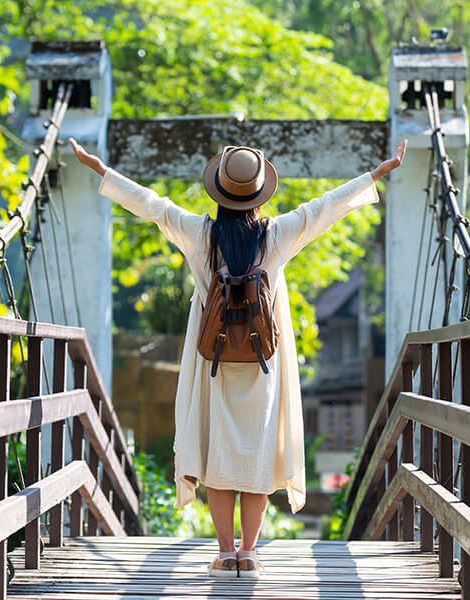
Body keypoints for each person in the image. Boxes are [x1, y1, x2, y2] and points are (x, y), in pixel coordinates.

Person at [70, 137, 407, 578]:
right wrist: (376, 175)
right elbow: (326, 207)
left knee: (219, 458)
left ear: (219, 190)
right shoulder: (278, 234)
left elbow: (152, 204)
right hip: (262, 365)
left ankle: (224, 550)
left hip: (213, 364)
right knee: (254, 457)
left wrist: (101, 171)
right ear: (259, 192)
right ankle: (249, 551)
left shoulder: (199, 235)